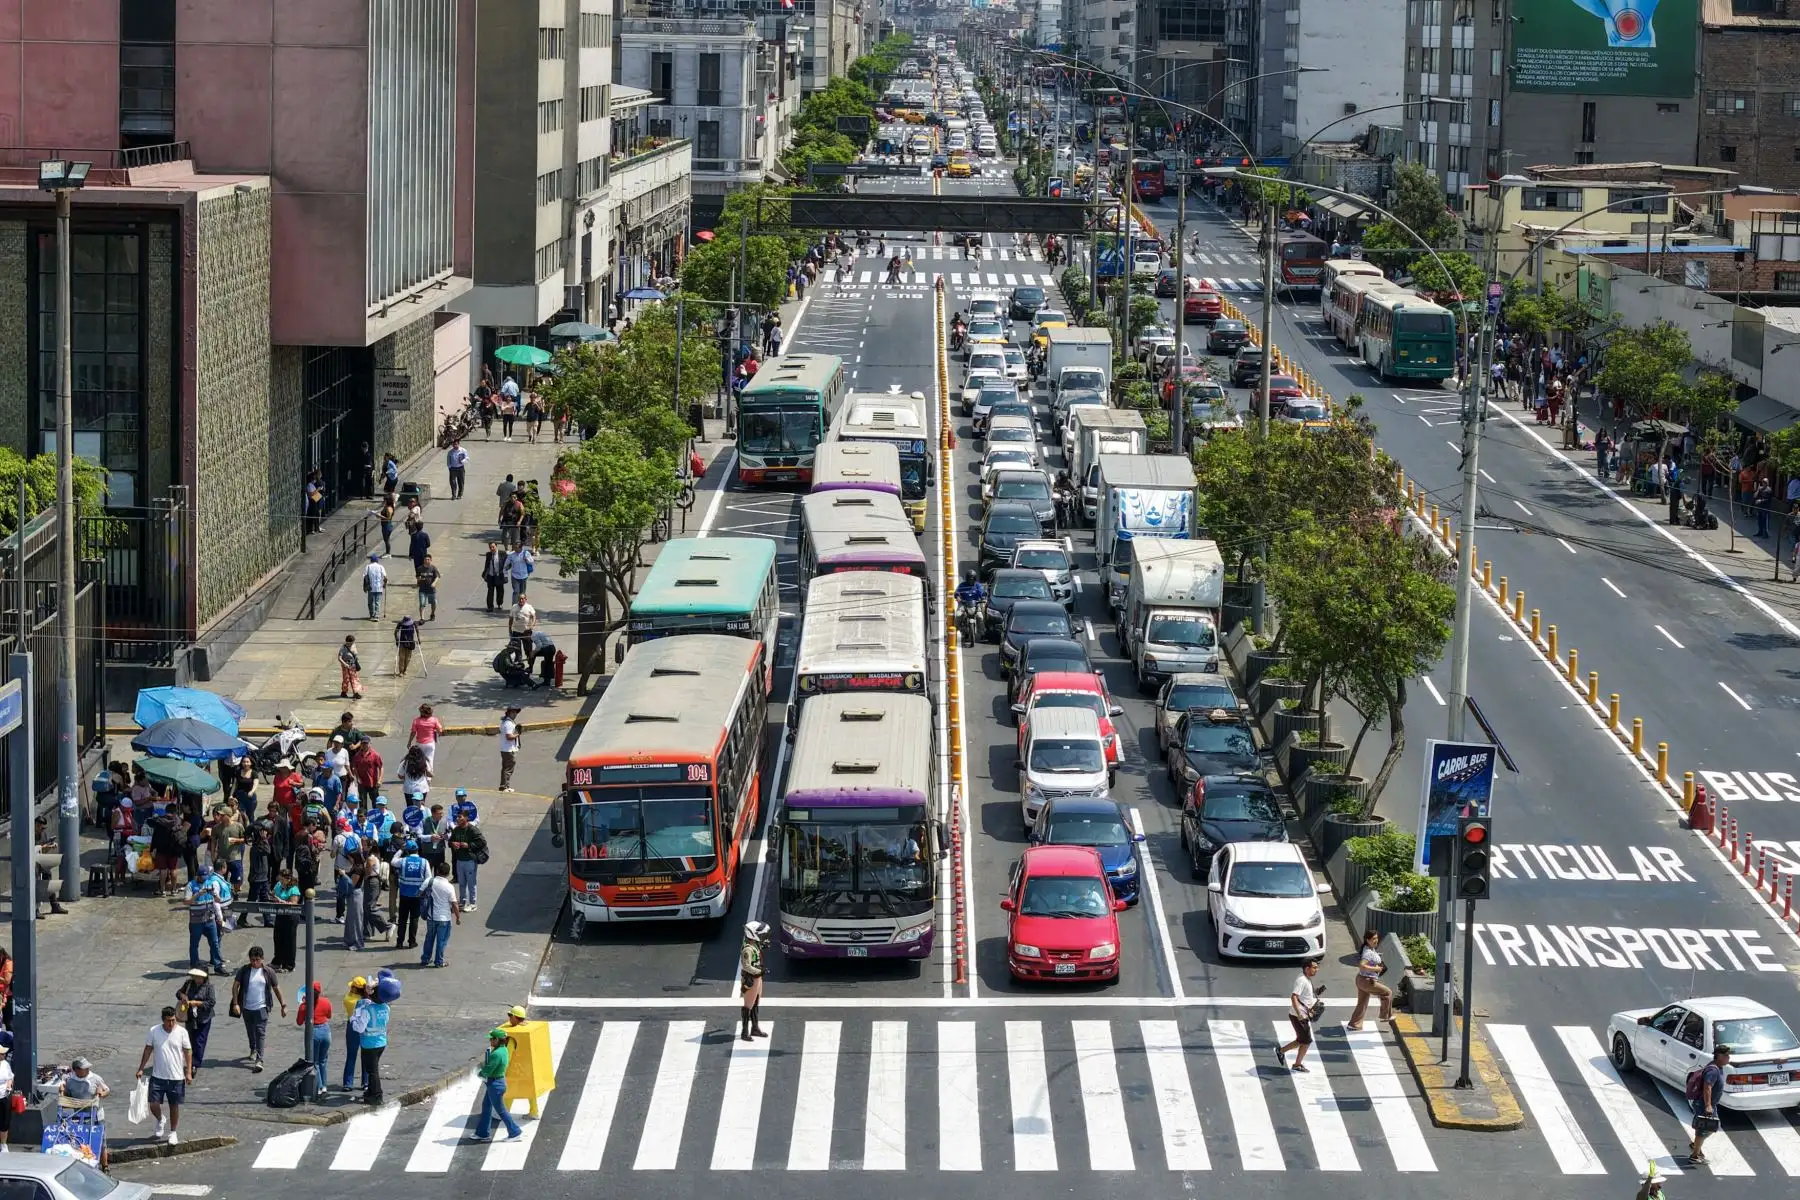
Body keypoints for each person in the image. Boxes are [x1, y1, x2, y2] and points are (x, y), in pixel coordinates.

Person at [136, 1006, 193, 1145]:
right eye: (169, 1021)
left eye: (173, 1020)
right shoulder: (154, 1031)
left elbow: (188, 1051)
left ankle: (173, 1132)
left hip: (176, 1077)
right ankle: (160, 1119)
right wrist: (141, 1068)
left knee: (174, 1106)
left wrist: (189, 1072)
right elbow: (148, 1049)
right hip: (158, 1076)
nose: (171, 1024)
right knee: (153, 1104)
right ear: (163, 1020)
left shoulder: (182, 1032)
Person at [230, 945, 287, 1073]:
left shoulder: (268, 972)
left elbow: (276, 988)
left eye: (257, 959)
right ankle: (253, 1049)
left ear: (262, 959)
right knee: (250, 1031)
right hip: (247, 1007)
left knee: (260, 1032)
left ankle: (260, 1059)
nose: (254, 962)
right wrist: (236, 1004)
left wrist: (283, 1005)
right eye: (252, 960)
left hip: (262, 1007)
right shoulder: (244, 970)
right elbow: (235, 986)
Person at [471, 1027, 524, 1142]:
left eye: (491, 1039)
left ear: (497, 1040)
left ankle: (515, 1132)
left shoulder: (496, 1054)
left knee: (501, 1110)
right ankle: (482, 1133)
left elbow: (488, 1070)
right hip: (496, 1082)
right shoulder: (504, 1049)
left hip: (494, 1084)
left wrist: (480, 1072)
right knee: (486, 1107)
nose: (490, 1041)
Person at [1277, 958, 1322, 1072]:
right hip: (1299, 1016)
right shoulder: (1302, 980)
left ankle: (1286, 1055)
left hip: (1303, 1015)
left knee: (1303, 1040)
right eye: (1314, 968)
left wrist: (1315, 992)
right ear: (1307, 968)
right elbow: (1294, 996)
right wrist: (1299, 1014)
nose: (1317, 970)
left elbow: (1304, 995)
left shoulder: (1306, 978)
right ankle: (1292, 1060)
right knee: (1305, 1041)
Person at [1688, 1043, 1730, 1164]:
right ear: (1719, 1056)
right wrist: (1708, 1105)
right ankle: (1694, 1155)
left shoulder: (1718, 1068)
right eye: (1726, 1055)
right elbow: (1707, 1087)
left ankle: (1696, 1145)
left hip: (1710, 1104)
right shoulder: (1713, 1070)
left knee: (1711, 1127)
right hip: (1704, 1104)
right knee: (1705, 1128)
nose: (1728, 1058)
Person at [350, 981, 390, 1104]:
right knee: (373, 1069)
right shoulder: (386, 1007)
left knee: (372, 1071)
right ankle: (371, 1092)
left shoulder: (367, 1010)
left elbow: (360, 1028)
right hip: (381, 1042)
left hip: (369, 1044)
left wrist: (353, 1020)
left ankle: (377, 1095)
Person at [186, 866, 230, 976]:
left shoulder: (209, 883)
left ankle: (218, 966)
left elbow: (218, 901)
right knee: (194, 944)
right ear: (198, 876)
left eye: (206, 877)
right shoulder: (191, 885)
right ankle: (194, 966)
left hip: (210, 920)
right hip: (196, 921)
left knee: (215, 943)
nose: (205, 879)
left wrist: (215, 895)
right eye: (202, 877)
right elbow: (186, 902)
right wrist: (198, 894)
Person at [1346, 929, 1393, 1030]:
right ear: (1368, 940)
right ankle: (1386, 1016)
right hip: (1367, 981)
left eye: (1377, 938)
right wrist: (1376, 968)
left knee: (1362, 1003)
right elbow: (1362, 965)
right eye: (1373, 939)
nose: (1376, 940)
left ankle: (1354, 1024)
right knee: (1387, 992)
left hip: (1361, 980)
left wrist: (1375, 961)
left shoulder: (1369, 949)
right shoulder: (1368, 952)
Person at [420, 860, 461, 967]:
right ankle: (439, 961)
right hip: (444, 918)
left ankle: (425, 959)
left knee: (429, 939)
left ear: (437, 871)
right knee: (441, 941)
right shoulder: (449, 887)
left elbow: (419, 893)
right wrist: (457, 917)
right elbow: (454, 904)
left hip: (431, 916)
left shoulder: (430, 881)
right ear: (448, 873)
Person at [174, 968, 215, 1071]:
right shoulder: (188, 984)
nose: (196, 979)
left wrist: (196, 1003)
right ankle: (190, 1061)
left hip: (204, 1018)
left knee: (200, 1040)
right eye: (195, 976)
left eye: (199, 977)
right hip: (190, 1017)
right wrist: (183, 996)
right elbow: (178, 993)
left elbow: (211, 1002)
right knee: (190, 1039)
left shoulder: (209, 987)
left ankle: (195, 1064)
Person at [296, 983, 333, 1095]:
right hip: (325, 1031)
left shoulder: (304, 1006)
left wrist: (303, 1004)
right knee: (323, 1061)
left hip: (314, 1032)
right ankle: (325, 1086)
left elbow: (299, 1022)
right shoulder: (326, 1002)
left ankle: (320, 1086)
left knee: (314, 1061)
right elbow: (329, 1015)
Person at [448, 810, 488, 912]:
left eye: (460, 817)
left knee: (471, 883)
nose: (457, 819)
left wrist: (469, 845)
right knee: (461, 883)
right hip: (459, 860)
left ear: (466, 818)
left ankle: (473, 903)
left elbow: (482, 842)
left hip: (470, 860)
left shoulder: (473, 830)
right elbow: (450, 841)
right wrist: (453, 844)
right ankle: (462, 902)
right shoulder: (456, 830)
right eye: (457, 817)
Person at [393, 840, 430, 949]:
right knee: (414, 918)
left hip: (404, 894)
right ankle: (411, 942)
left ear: (408, 851)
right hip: (417, 895)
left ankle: (399, 942)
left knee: (402, 919)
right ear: (417, 850)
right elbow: (428, 878)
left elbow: (393, 861)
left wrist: (401, 849)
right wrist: (422, 890)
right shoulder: (424, 862)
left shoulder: (403, 861)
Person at [739, 922, 770, 1041]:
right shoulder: (747, 949)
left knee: (756, 1002)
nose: (761, 936)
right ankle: (744, 1032)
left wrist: (763, 946)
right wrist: (759, 972)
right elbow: (746, 966)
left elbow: (757, 951)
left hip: (757, 978)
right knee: (748, 1005)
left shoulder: (754, 945)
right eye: (759, 934)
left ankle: (755, 1028)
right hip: (751, 978)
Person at [341, 976, 368, 1093]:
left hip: (352, 1027)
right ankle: (365, 1082)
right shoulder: (366, 1001)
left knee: (351, 1056)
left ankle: (348, 1082)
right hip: (364, 1027)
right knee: (366, 1055)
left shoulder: (348, 999)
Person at [499, 706, 522, 792]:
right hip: (509, 750)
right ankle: (505, 787)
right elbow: (509, 737)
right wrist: (518, 734)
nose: (515, 714)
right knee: (508, 769)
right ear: (509, 713)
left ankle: (504, 786)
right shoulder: (508, 724)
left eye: (516, 712)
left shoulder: (506, 722)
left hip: (506, 749)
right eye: (513, 712)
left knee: (506, 768)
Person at [482, 541, 507, 614]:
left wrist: (505, 570)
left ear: (496, 546)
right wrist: (485, 574)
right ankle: (490, 607)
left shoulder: (502, 554)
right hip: (491, 576)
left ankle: (499, 603)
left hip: (499, 575)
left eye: (493, 547)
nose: (492, 548)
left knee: (500, 591)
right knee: (490, 592)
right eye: (490, 547)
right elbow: (487, 565)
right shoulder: (488, 554)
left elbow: (508, 563)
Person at [415, 553, 441, 621]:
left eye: (428, 559)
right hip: (422, 589)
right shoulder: (420, 568)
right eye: (426, 559)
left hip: (431, 590)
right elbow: (417, 577)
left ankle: (432, 614)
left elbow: (437, 577)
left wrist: (434, 583)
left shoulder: (433, 568)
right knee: (422, 603)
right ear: (423, 560)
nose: (427, 560)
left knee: (434, 603)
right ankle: (422, 618)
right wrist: (419, 579)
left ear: (431, 560)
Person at [361, 553, 387, 621]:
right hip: (379, 587)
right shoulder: (381, 567)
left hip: (371, 587)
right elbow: (385, 577)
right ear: (377, 560)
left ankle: (372, 615)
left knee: (370, 602)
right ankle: (377, 616)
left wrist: (365, 586)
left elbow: (365, 576)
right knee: (377, 602)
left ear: (371, 560)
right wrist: (384, 584)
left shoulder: (368, 566)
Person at [338, 635, 363, 700]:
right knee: (346, 679)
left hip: (352, 665)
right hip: (345, 666)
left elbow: (355, 653)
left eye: (352, 643)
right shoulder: (343, 648)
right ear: (346, 642)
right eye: (349, 643)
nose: (350, 644)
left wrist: (356, 657)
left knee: (354, 679)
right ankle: (344, 692)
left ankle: (356, 693)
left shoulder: (353, 645)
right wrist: (345, 664)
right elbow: (339, 658)